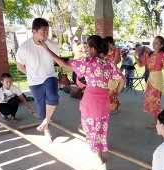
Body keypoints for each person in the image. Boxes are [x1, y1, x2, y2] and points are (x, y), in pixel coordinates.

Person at [39, 35, 125, 163]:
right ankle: (96, 147)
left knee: (92, 131)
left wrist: (47, 49)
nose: (86, 49)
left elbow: (65, 65)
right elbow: (122, 80)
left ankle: (98, 156)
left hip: (90, 102)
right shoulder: (109, 63)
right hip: (103, 102)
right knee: (99, 129)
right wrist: (117, 92)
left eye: (87, 47)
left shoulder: (87, 62)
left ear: (92, 49)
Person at [16, 18, 60, 143]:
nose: (46, 35)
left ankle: (46, 121)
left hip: (49, 76)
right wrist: (31, 74)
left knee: (53, 96)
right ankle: (46, 128)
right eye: (43, 32)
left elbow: (55, 60)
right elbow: (19, 66)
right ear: (34, 32)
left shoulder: (53, 45)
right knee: (40, 107)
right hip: (34, 82)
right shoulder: (24, 48)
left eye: (47, 32)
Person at [104, 36, 122, 114]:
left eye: (107, 44)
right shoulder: (105, 52)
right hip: (106, 73)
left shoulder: (116, 51)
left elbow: (115, 62)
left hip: (114, 73)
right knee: (108, 91)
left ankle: (114, 107)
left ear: (111, 44)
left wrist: (117, 53)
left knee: (112, 91)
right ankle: (114, 106)